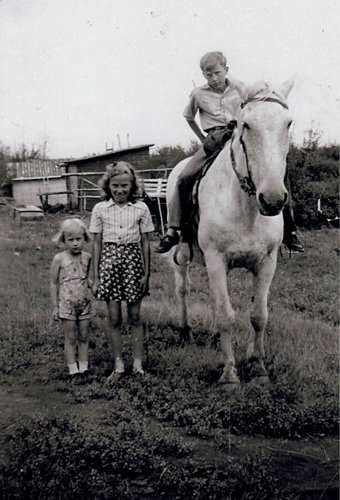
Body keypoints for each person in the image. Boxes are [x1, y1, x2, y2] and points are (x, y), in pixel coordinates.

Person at [154, 50, 304, 253]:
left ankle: (289, 231)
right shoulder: (198, 94)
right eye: (208, 75)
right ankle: (174, 229)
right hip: (214, 139)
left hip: (238, 135)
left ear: (226, 70)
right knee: (185, 176)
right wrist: (202, 137)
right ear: (203, 75)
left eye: (217, 72)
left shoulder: (241, 89)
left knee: (276, 175)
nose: (214, 78)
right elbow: (188, 116)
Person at [90, 162, 154, 381]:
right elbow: (97, 243)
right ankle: (118, 365)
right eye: (115, 186)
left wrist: (146, 274)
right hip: (109, 263)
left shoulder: (141, 208)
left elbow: (145, 242)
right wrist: (96, 276)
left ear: (132, 185)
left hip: (133, 263)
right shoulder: (100, 209)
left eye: (124, 186)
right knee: (114, 318)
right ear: (108, 186)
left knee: (135, 316)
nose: (120, 190)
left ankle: (137, 364)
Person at [50, 219, 93, 379]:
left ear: (84, 238)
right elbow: (53, 283)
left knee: (83, 335)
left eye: (78, 239)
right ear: (63, 240)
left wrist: (94, 286)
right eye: (71, 240)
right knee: (71, 337)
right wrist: (55, 306)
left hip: (84, 304)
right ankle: (72, 369)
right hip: (67, 305)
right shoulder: (59, 259)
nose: (75, 243)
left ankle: (84, 367)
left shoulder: (87, 258)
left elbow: (85, 278)